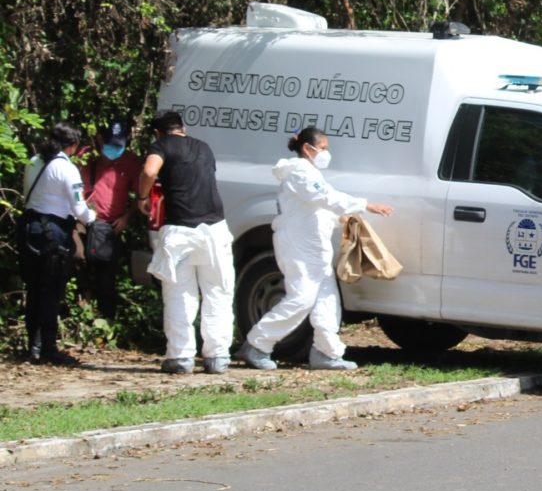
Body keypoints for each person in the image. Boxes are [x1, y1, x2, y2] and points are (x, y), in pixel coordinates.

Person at [238, 126, 393, 371]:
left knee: (327, 300)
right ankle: (257, 344)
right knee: (301, 299)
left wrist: (338, 218)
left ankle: (326, 352)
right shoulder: (299, 172)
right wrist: (364, 205)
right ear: (307, 148)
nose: (325, 153)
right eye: (322, 149)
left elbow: (314, 209)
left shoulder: (310, 173)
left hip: (314, 248)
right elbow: (324, 198)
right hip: (299, 247)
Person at [137, 111, 235, 375]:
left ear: (157, 133)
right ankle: (217, 357)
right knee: (218, 292)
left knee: (180, 294)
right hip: (214, 229)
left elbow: (149, 170)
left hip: (180, 229)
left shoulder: (161, 146)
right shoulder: (204, 147)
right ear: (183, 128)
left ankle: (181, 357)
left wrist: (142, 196)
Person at [20, 122, 97, 365]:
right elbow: (79, 209)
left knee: (33, 289)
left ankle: (34, 345)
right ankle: (49, 348)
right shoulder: (66, 168)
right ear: (72, 145)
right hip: (53, 233)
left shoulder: (33, 162)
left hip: (29, 229)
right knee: (51, 290)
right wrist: (92, 217)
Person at [79, 119, 141, 319]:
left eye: (118, 146)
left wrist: (126, 218)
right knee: (80, 268)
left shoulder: (130, 162)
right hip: (83, 223)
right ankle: (81, 313)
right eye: (110, 145)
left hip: (109, 228)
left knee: (106, 279)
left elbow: (141, 196)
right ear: (99, 139)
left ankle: (106, 319)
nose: (114, 150)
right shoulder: (86, 157)